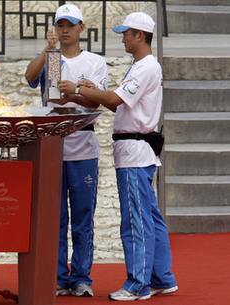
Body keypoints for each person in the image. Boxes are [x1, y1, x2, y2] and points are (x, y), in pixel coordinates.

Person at [73, 12, 178, 301]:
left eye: (127, 33)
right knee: (151, 218)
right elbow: (118, 106)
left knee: (135, 220)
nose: (123, 38)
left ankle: (138, 283)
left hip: (134, 151)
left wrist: (81, 88)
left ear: (139, 36)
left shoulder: (145, 67)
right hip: (135, 149)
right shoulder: (140, 66)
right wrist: (87, 94)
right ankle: (161, 277)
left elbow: (115, 100)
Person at [25, 3, 107, 298]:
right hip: (52, 145)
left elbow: (95, 102)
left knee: (83, 216)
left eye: (70, 25)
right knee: (55, 216)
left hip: (83, 146)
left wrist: (74, 91)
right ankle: (58, 276)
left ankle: (82, 276)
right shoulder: (52, 58)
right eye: (60, 25)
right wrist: (47, 51)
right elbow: (29, 77)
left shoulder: (95, 62)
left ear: (81, 28)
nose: (65, 30)